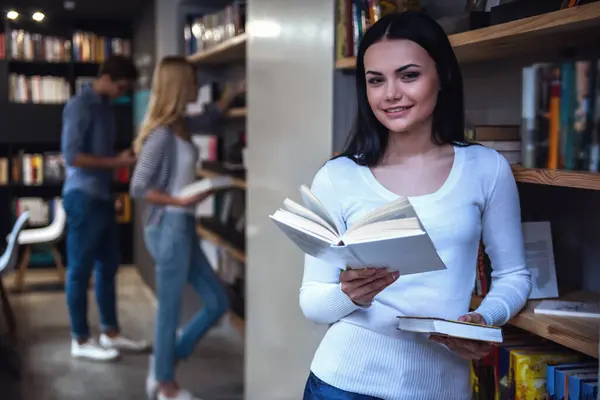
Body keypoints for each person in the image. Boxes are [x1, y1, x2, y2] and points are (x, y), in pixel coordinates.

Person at [299, 11, 532, 400]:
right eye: (376, 80)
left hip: (442, 387)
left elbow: (515, 275)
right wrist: (350, 295)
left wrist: (482, 321)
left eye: (409, 75)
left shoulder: (486, 169)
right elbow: (312, 301)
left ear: (442, 76)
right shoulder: (336, 176)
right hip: (342, 384)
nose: (391, 93)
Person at [130, 56, 244, 400]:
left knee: (217, 300)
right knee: (169, 310)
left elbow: (210, 117)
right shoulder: (162, 135)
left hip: (182, 226)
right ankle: (165, 385)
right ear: (180, 85)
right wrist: (179, 201)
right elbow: (138, 186)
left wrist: (235, 94)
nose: (197, 87)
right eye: (192, 81)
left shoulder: (180, 126)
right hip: (169, 227)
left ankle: (165, 360)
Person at [61, 55, 149, 361]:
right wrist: (116, 162)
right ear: (108, 78)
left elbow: (99, 153)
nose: (123, 93)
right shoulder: (79, 106)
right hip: (82, 197)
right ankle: (80, 339)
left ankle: (110, 333)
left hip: (101, 195)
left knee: (109, 266)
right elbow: (71, 156)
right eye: (122, 86)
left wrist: (120, 157)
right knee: (79, 271)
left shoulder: (107, 109)